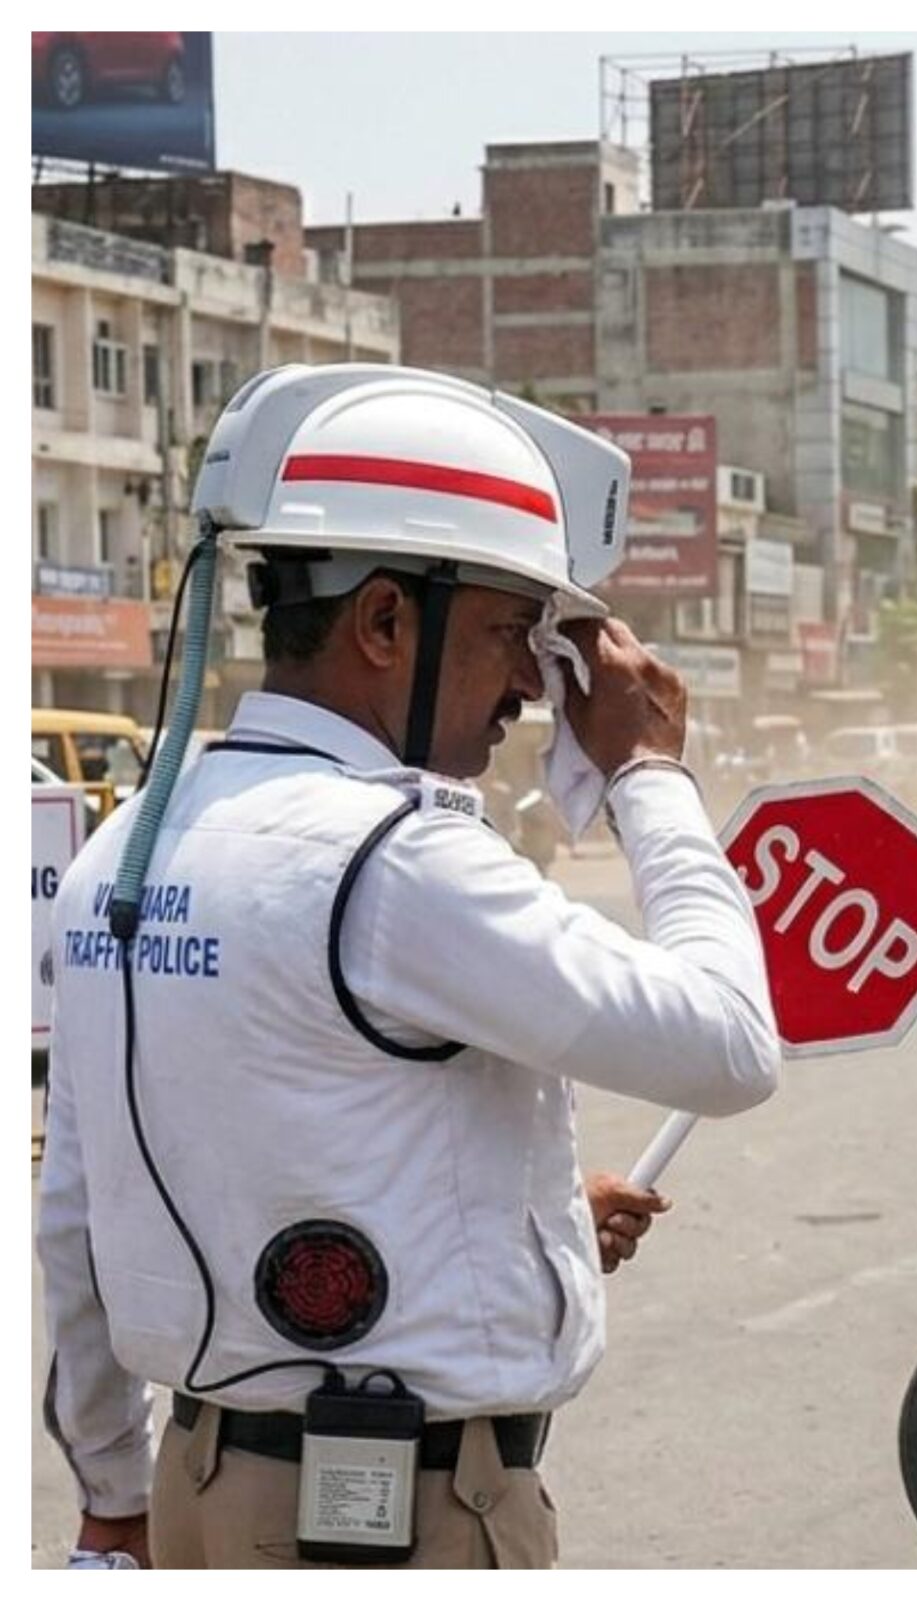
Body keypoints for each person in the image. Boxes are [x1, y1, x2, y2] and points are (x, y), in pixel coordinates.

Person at [37, 364, 782, 1570]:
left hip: (198, 1494)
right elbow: (729, 1044)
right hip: (388, 1518)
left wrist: (114, 1489)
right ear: (385, 622)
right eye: (508, 633)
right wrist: (648, 774)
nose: (532, 686)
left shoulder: (125, 846)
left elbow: (84, 1207)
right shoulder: (397, 860)